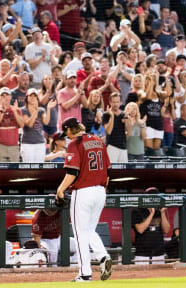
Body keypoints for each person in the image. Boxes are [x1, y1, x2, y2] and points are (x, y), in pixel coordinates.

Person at [55, 117, 112, 282]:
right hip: (101, 191)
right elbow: (108, 174)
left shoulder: (75, 143)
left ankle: (85, 274)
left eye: (66, 132)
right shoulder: (99, 141)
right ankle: (103, 257)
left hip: (83, 191)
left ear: (70, 129)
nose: (66, 136)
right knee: (88, 231)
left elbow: (72, 173)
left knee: (80, 233)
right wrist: (101, 191)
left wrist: (60, 190)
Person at [132, 187, 170, 264]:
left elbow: (166, 230)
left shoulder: (160, 211)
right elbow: (140, 229)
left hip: (159, 254)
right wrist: (151, 213)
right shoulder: (137, 211)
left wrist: (162, 213)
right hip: (142, 255)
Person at [0, 87, 24, 162]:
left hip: (14, 146)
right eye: (3, 95)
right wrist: (2, 111)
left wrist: (15, 112)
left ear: (11, 97)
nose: (5, 97)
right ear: (0, 97)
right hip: (0, 146)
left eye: (7, 95)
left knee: (14, 171)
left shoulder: (16, 109)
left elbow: (22, 125)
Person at [103, 92, 128, 163]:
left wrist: (127, 118)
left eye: (117, 102)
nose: (115, 104)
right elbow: (108, 131)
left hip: (123, 147)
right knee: (112, 171)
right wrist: (112, 116)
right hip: (111, 146)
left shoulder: (124, 114)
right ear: (110, 102)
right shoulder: (106, 114)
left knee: (123, 172)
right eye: (113, 102)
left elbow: (128, 131)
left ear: (121, 102)